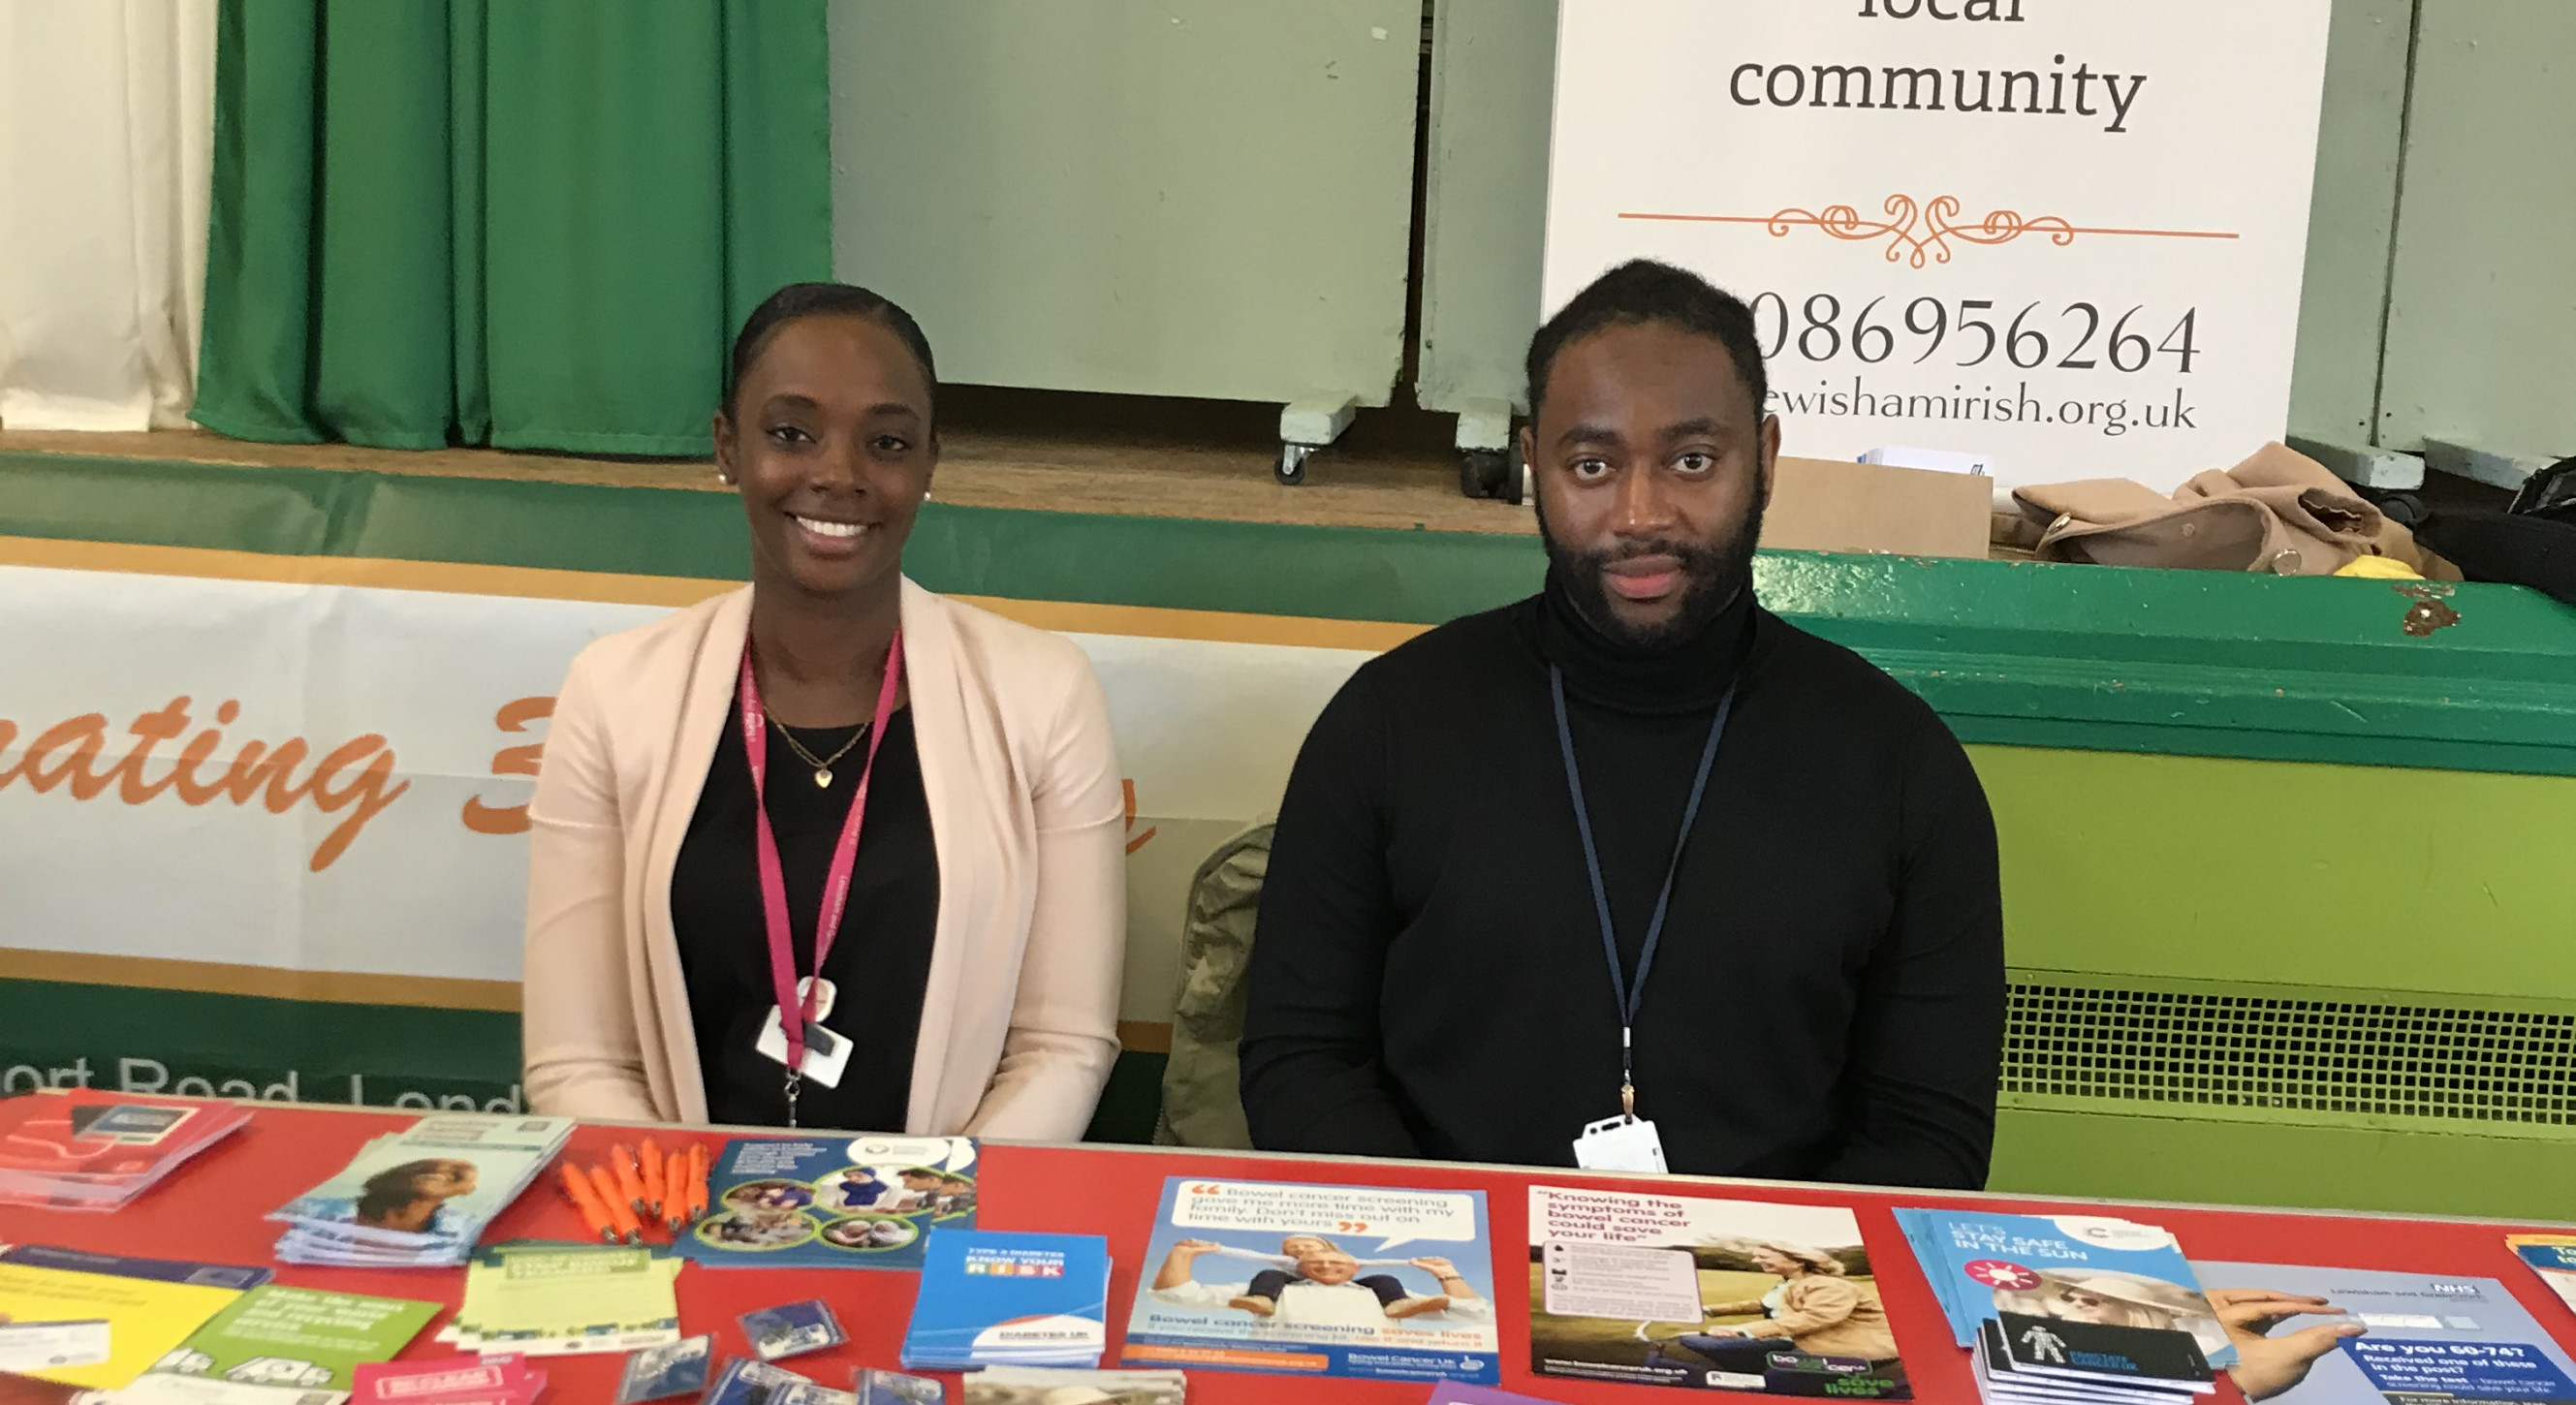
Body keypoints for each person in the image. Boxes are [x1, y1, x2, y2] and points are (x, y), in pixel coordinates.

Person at [1239, 259, 2002, 1186]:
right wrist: (1451, 1249)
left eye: (1691, 461)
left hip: (1770, 1293)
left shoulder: (1900, 763)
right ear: (1534, 464)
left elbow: (1929, 1134)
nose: (1640, 515)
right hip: (1453, 1275)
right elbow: (1300, 1061)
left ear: (1764, 459)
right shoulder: (1389, 722)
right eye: (1592, 465)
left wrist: (1771, 1281)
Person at [520, 282, 1127, 1139]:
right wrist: (696, 1220)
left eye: (886, 442)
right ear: (728, 445)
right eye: (791, 433)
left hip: (943, 1215)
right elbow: (578, 1062)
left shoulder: (1042, 692)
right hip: (681, 1218)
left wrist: (925, 1210)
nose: (837, 474)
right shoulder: (615, 691)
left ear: (926, 466)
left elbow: (1060, 1046)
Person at [1644, 1242, 1899, 1379]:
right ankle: (1750, 1371)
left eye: (1764, 1256)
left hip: (1849, 1350)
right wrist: (1706, 1309)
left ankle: (1764, 1378)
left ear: (1797, 1260)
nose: (1756, 1261)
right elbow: (1761, 1304)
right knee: (1696, 1340)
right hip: (1797, 1340)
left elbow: (1815, 1318)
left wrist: (1742, 1331)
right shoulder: (1789, 1284)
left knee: (1776, 1381)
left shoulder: (1830, 1286)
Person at [1148, 1240, 1491, 1328]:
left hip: (1376, 1377)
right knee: (1265, 1286)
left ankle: (1399, 1310)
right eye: (1300, 1255)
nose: (1322, 1262)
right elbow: (1178, 1296)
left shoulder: (1379, 1288)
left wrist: (1447, 1274)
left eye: (1327, 1255)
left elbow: (1473, 1313)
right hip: (1286, 1374)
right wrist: (1181, 1255)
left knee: (1387, 1285)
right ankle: (1262, 1306)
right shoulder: (1271, 1283)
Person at [1212, 1234, 1447, 1320]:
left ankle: (1398, 1304)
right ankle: (1263, 1300)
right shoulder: (1288, 1265)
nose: (1301, 1250)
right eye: (1294, 1249)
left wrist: (1412, 1262)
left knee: (1384, 1280)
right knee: (1268, 1275)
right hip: (1295, 1285)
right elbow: (1254, 1256)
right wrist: (1220, 1249)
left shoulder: (1343, 1258)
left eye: (1307, 1245)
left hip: (1344, 1285)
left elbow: (1375, 1263)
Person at [351, 1158, 479, 1234]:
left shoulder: (461, 1225)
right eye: (426, 1168)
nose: (438, 1176)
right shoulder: (340, 1213)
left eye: (455, 1176)